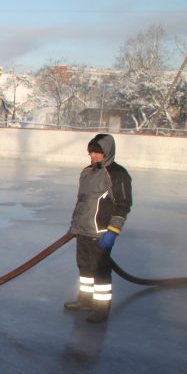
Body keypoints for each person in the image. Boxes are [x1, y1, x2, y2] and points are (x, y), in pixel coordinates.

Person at [64, 133, 132, 324]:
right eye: (91, 152)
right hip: (82, 230)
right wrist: (74, 222)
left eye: (96, 152)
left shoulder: (117, 174)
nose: (92, 156)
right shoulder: (87, 172)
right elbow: (81, 201)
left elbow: (123, 204)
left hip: (100, 232)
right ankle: (85, 301)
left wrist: (113, 230)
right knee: (84, 268)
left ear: (107, 153)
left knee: (100, 271)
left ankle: (101, 309)